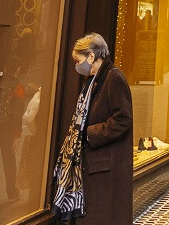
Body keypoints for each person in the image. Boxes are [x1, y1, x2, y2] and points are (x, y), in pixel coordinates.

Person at [52, 33, 133, 222]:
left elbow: (123, 119)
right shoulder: (93, 80)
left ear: (91, 56)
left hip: (106, 167)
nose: (77, 66)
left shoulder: (113, 78)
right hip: (95, 166)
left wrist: (89, 134)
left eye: (78, 60)